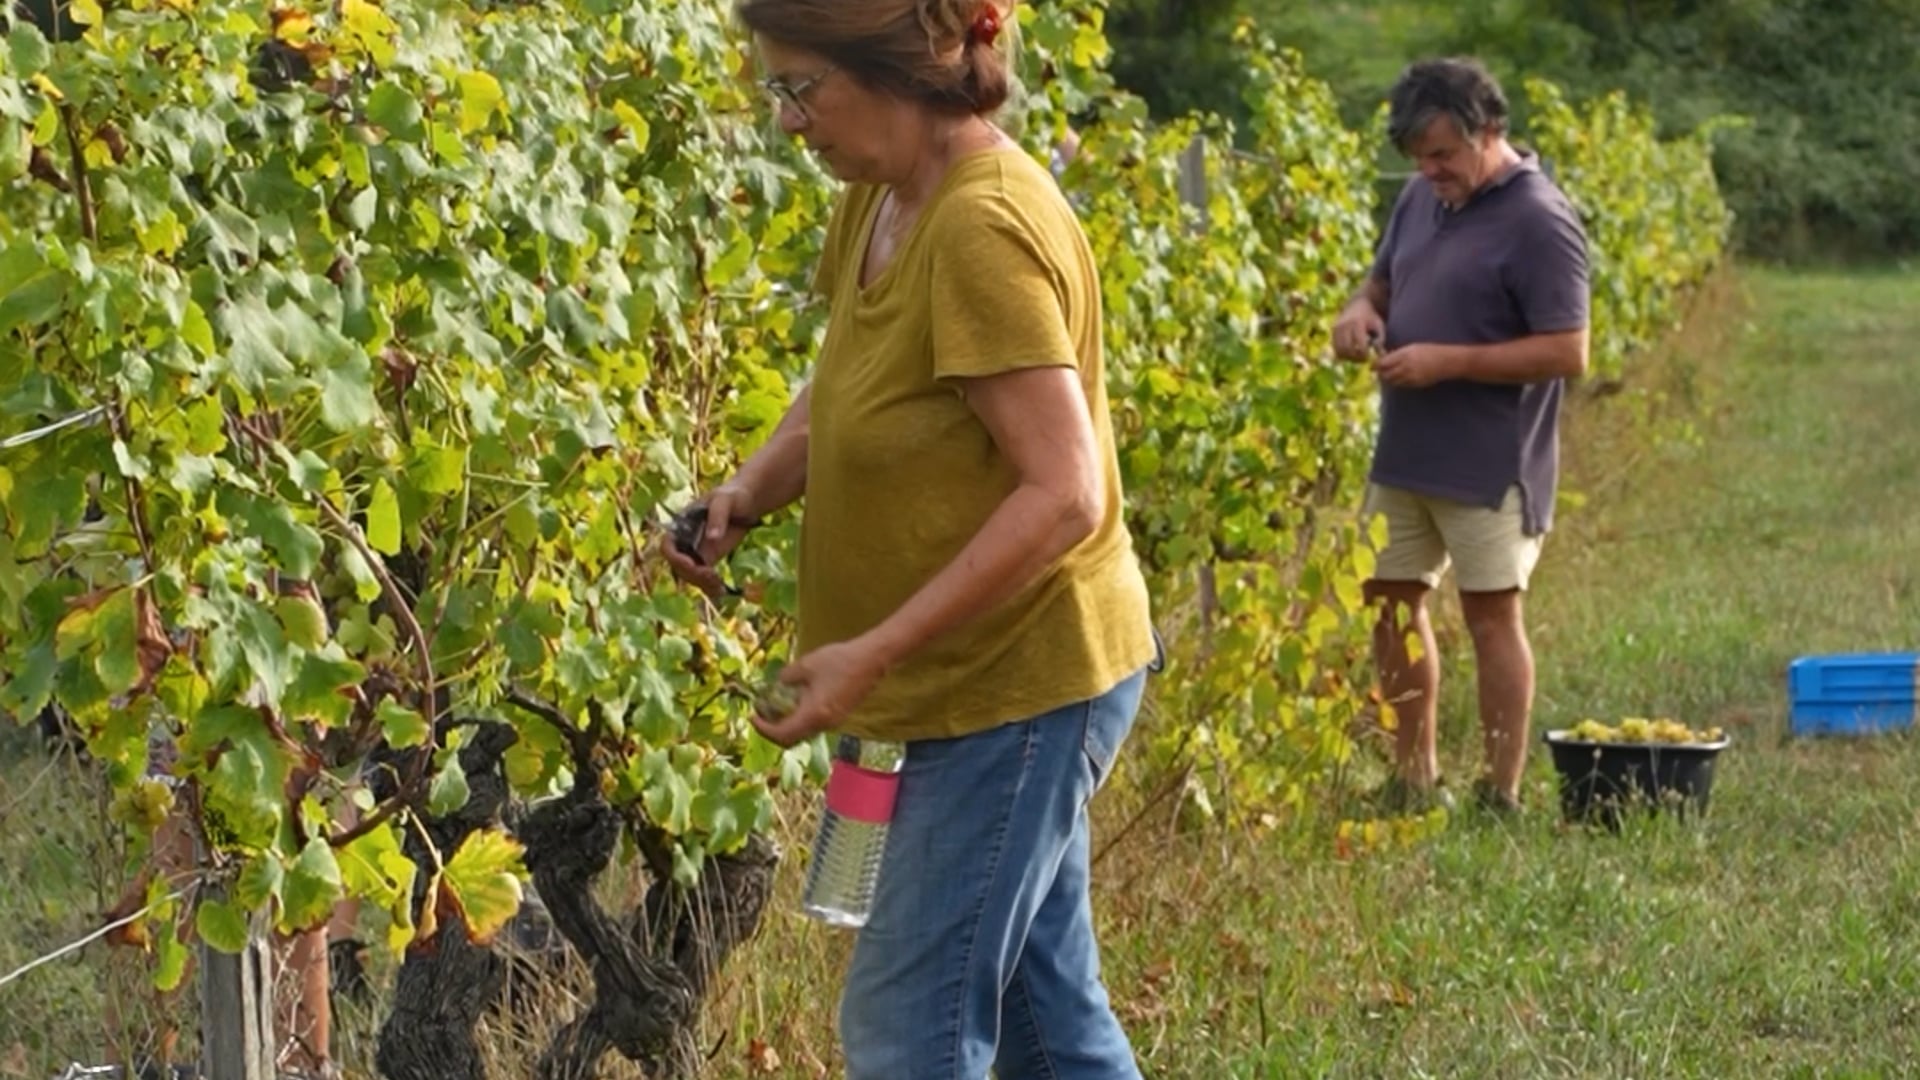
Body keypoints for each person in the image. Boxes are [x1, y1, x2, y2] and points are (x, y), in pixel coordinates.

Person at [664, 1, 1158, 1076]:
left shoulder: (980, 228)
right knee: (1045, 1022)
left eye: (801, 87)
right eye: (777, 91)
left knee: (904, 1027)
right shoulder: (884, 198)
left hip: (1013, 686)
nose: (790, 121)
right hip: (965, 687)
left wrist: (874, 651)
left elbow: (1062, 492)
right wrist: (750, 490)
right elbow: (849, 386)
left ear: (895, 70)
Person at [1331, 57, 1591, 815]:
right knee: (1388, 600)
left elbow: (1568, 349)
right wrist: (1360, 312)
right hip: (1406, 451)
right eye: (1417, 158)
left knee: (1489, 615)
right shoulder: (1421, 198)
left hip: (1490, 463)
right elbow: (1381, 281)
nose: (1429, 170)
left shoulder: (1541, 222)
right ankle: (1414, 778)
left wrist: (1451, 363)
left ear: (1491, 132)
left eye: (1443, 154)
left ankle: (1499, 792)